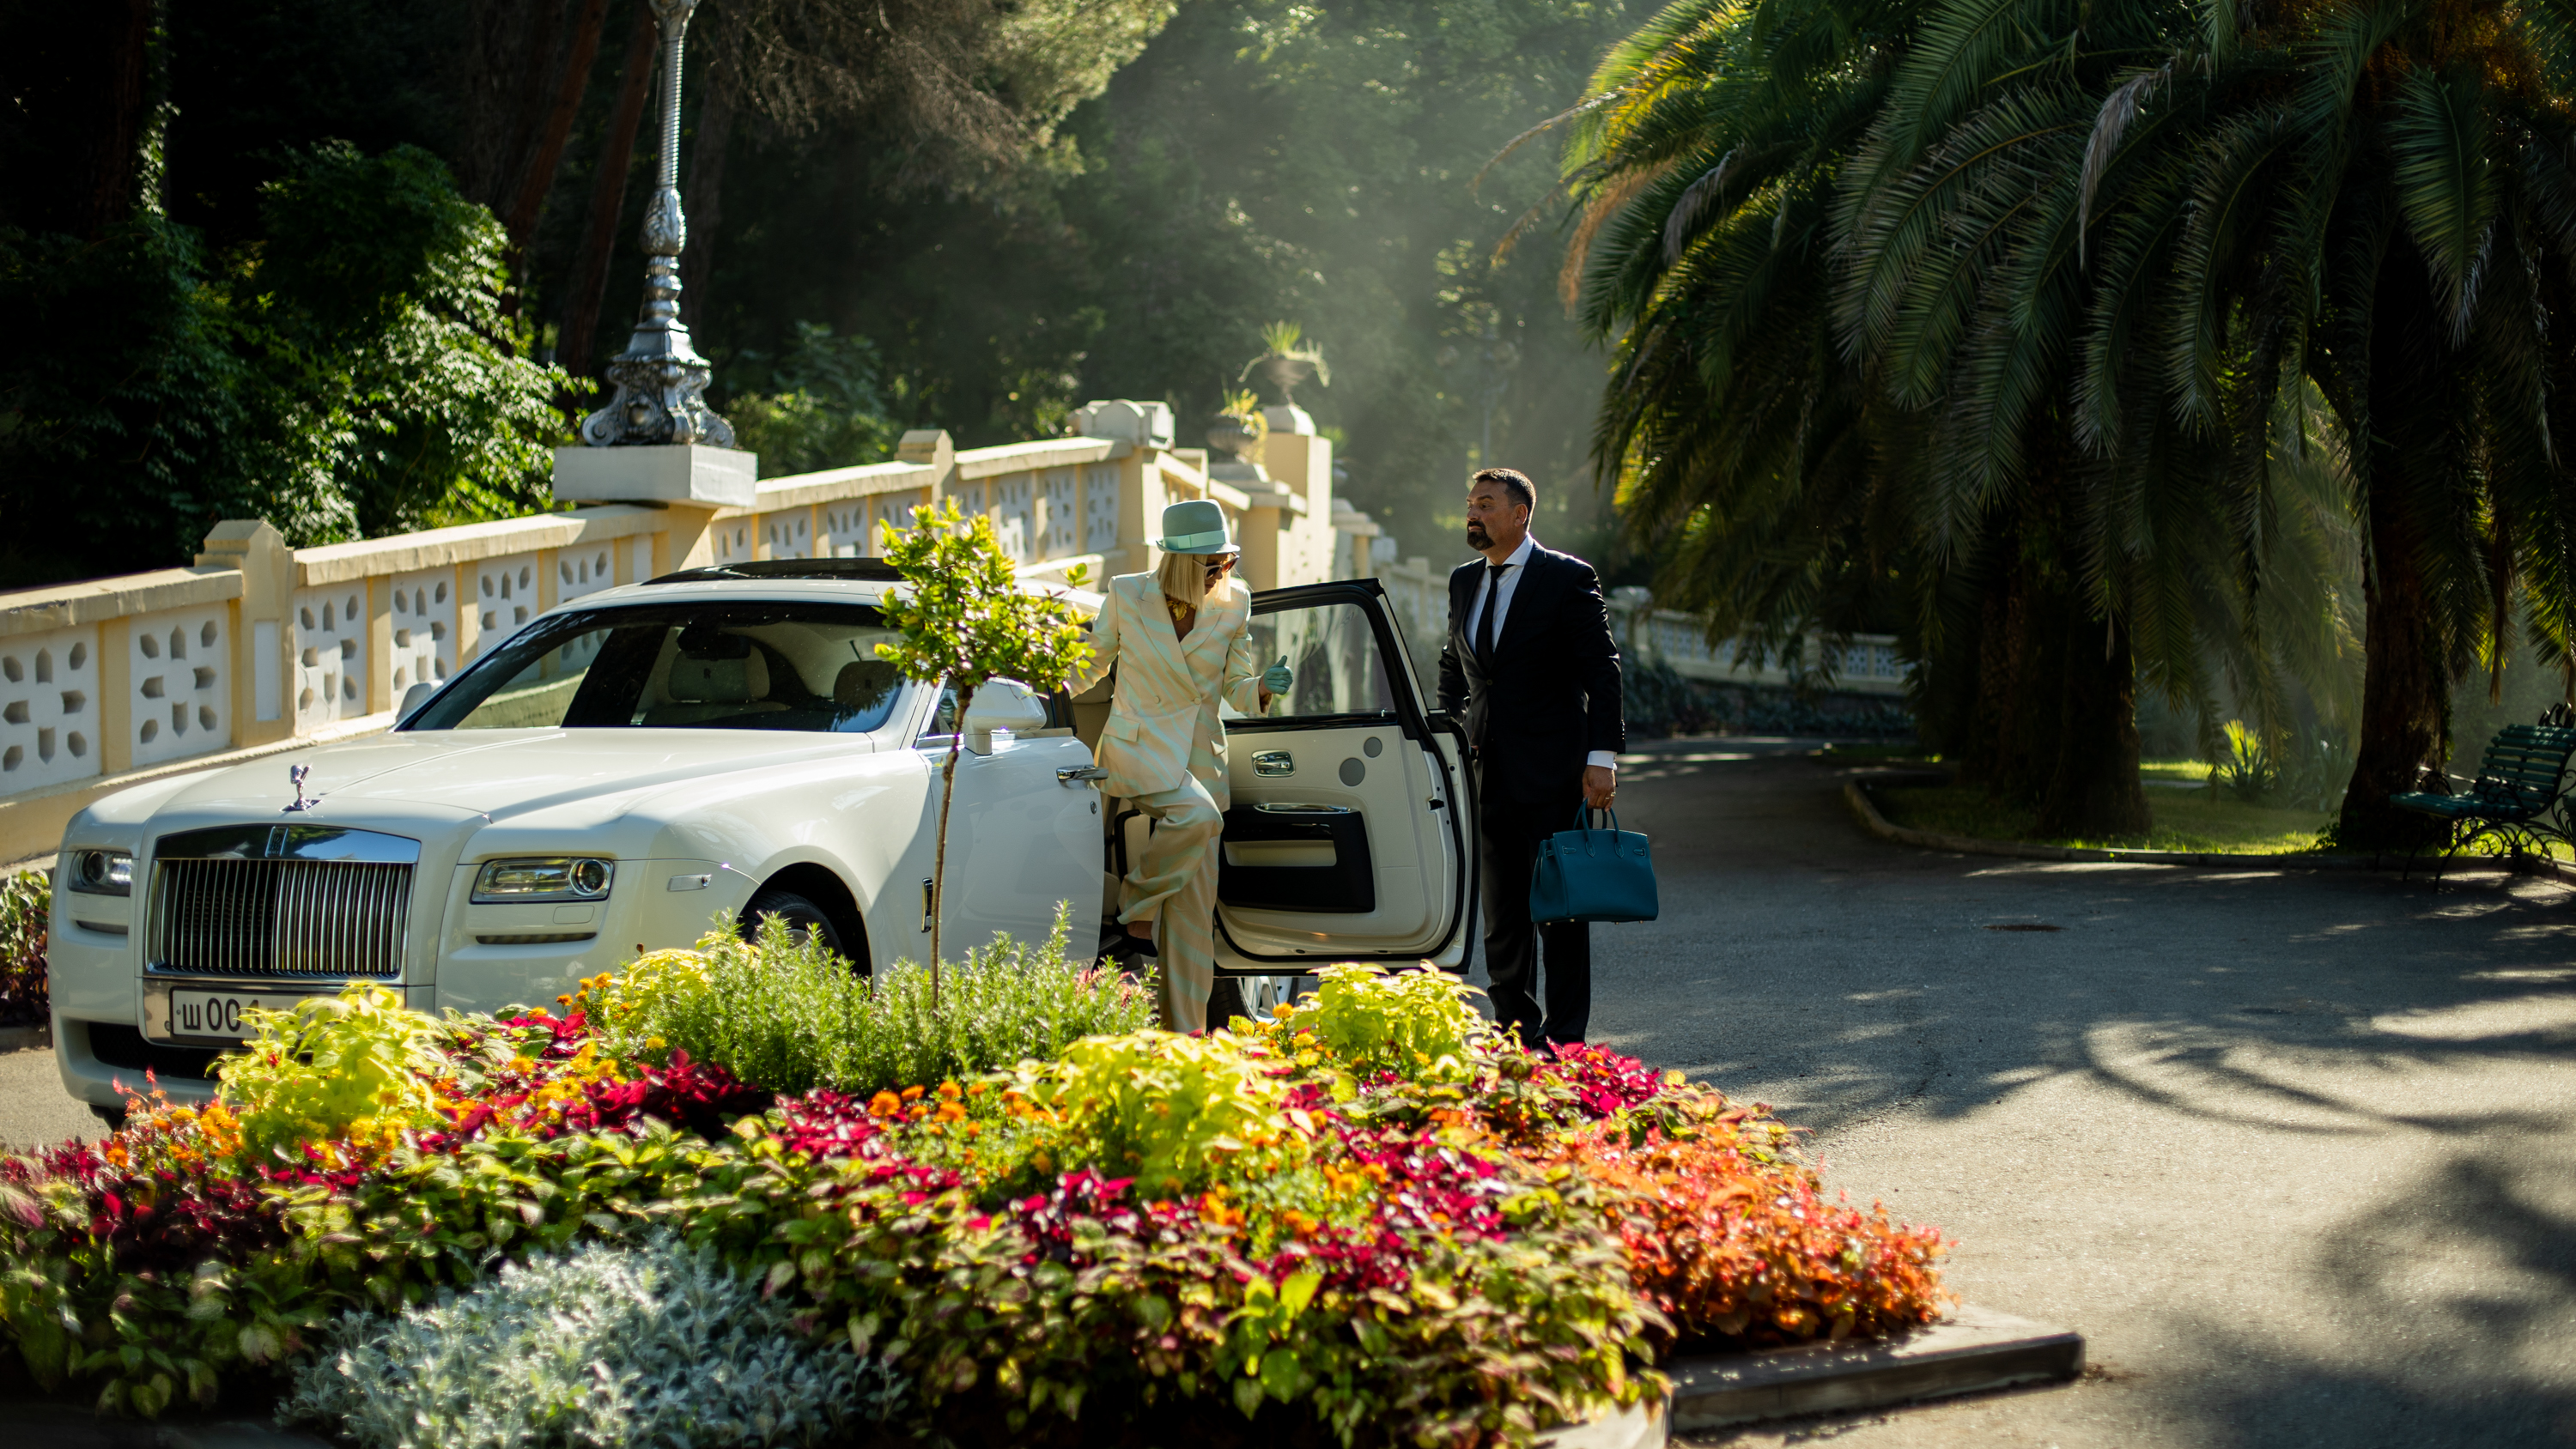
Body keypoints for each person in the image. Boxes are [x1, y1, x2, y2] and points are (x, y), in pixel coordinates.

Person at [1067, 499, 1293, 1032]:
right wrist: (1029, 688)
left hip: (1200, 758)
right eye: (1213, 563)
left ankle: (1185, 1040)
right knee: (1198, 816)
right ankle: (1137, 901)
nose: (1224, 572)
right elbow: (1088, 666)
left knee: (1194, 919)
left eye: (1227, 561)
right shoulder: (1127, 593)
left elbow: (1236, 688)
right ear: (1181, 563)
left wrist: (1261, 687)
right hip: (1137, 747)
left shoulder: (1235, 601)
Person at [1437, 467, 1623, 1047]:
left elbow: (1602, 670)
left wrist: (1602, 756)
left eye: (1487, 504)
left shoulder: (1566, 577)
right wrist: (1446, 728)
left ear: (1520, 514)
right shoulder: (1464, 581)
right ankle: (1518, 1033)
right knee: (1504, 917)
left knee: (1561, 914)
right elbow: (1455, 665)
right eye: (1471, 503)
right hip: (1485, 774)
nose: (1474, 513)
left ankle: (1567, 1040)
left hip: (1554, 772)